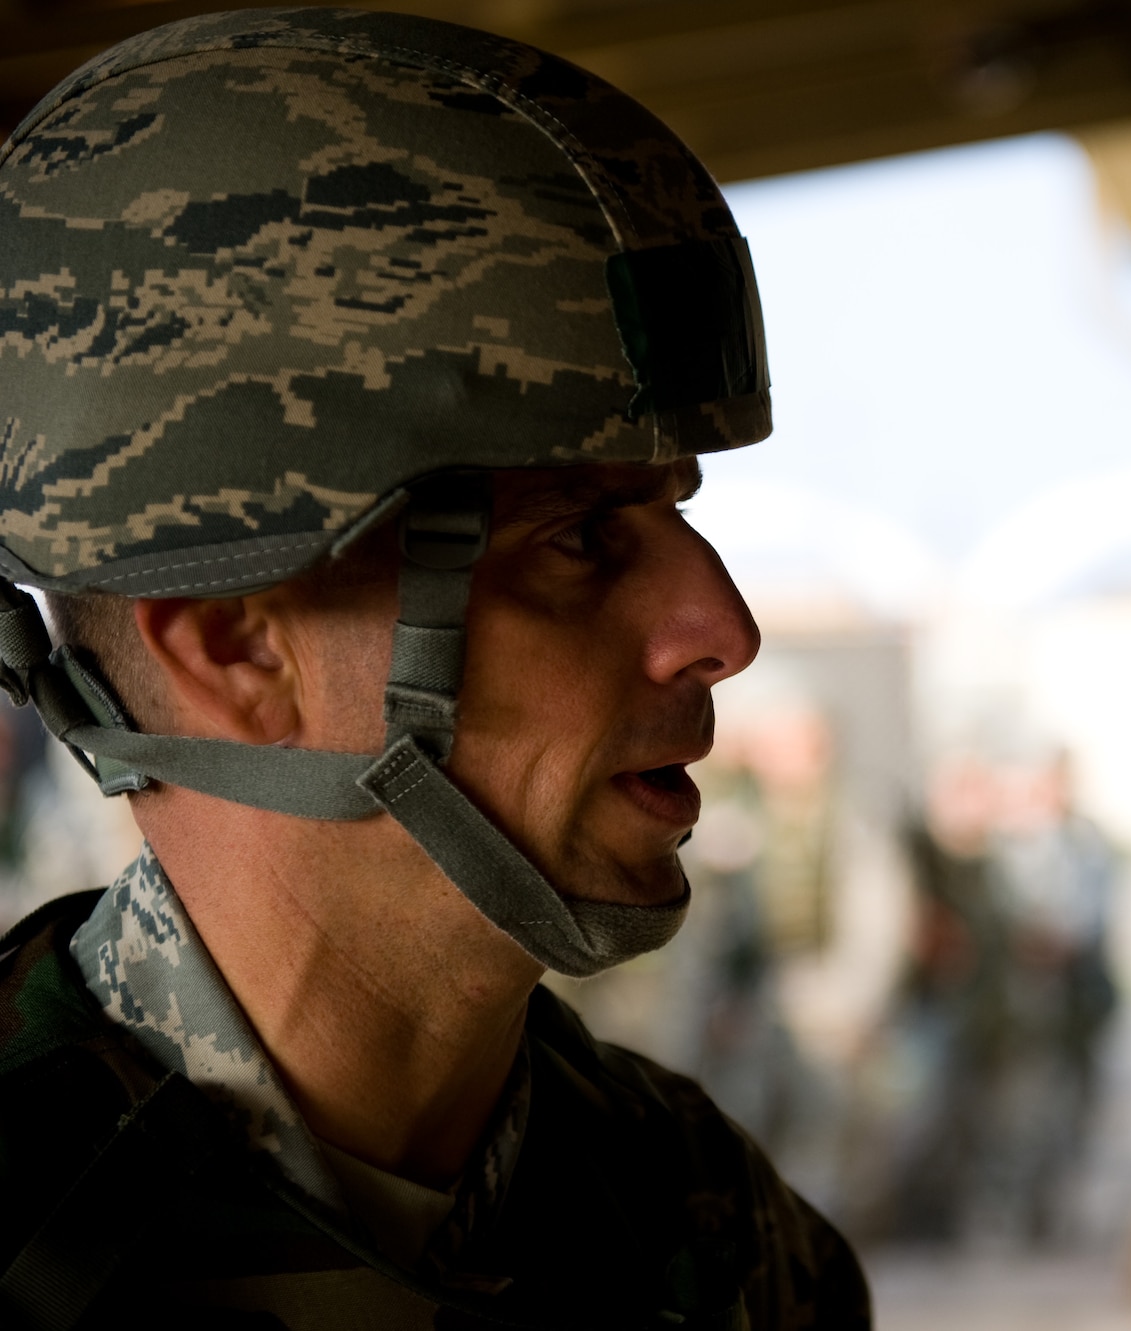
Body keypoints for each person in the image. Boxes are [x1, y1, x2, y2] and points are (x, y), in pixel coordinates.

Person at [0, 10, 865, 1327]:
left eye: (678, 515)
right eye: (581, 537)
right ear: (236, 641)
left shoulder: (707, 1222)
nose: (722, 628)